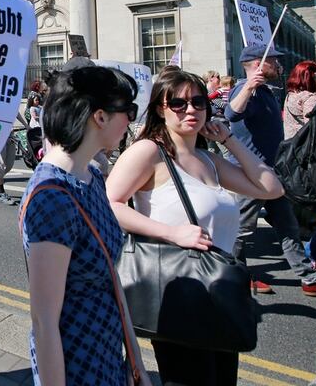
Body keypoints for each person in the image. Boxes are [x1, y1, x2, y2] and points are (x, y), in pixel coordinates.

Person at [106, 68, 283, 385]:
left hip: (220, 291)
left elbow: (271, 188)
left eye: (199, 102)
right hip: (179, 291)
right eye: (179, 103)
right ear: (161, 108)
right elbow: (109, 203)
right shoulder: (149, 152)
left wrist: (228, 138)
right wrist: (172, 232)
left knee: (222, 379)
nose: (191, 110)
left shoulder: (210, 159)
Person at [18, 66, 148, 386]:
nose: (130, 121)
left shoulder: (92, 176)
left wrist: (136, 363)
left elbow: (111, 278)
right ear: (99, 116)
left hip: (107, 353)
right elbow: (44, 321)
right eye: (127, 110)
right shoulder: (51, 197)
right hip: (76, 364)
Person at [226, 44, 316, 296]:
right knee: (241, 230)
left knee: (287, 227)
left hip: (272, 173)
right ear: (258, 64)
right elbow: (231, 113)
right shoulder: (247, 91)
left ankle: (309, 279)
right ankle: (234, 275)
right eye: (273, 61)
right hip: (251, 173)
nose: (279, 65)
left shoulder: (266, 91)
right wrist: (248, 85)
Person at [284, 60, 316, 140]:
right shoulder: (311, 98)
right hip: (305, 147)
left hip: (291, 144)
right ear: (314, 74)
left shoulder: (290, 95)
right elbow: (313, 128)